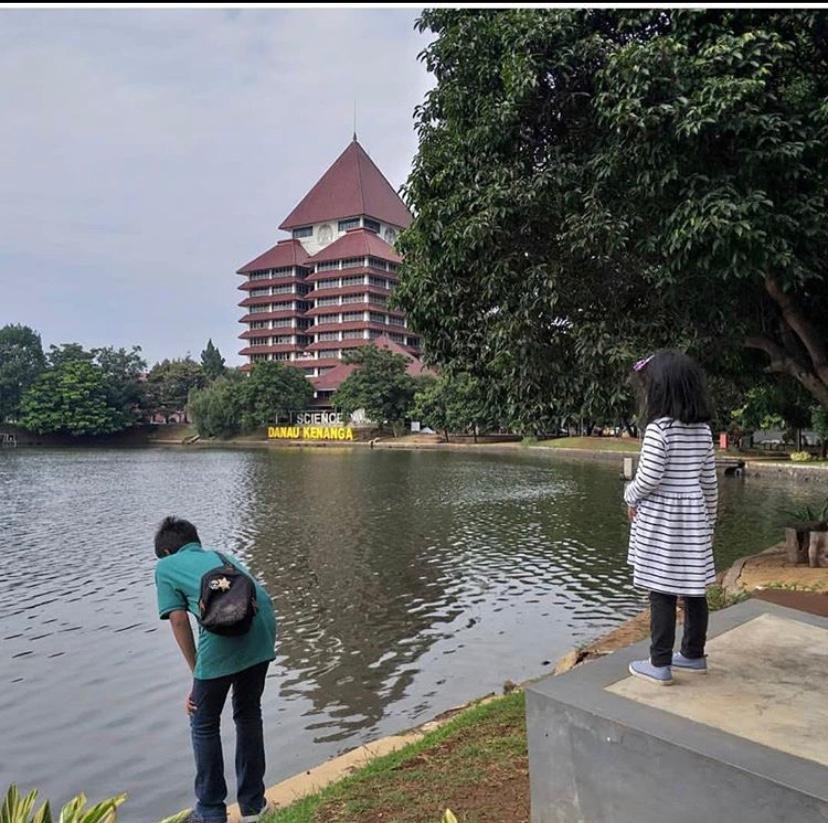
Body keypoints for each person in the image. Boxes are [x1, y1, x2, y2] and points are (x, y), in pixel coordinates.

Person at [154, 516, 277, 823]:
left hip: (226, 640)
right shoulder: (223, 557)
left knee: (203, 720)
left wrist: (197, 674)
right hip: (262, 632)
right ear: (194, 541)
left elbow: (179, 619)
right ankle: (253, 807)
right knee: (248, 713)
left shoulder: (165, 567)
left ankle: (210, 812)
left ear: (167, 552)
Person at [624, 351, 717, 686]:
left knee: (660, 589)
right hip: (692, 520)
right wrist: (710, 522)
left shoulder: (658, 430)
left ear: (659, 391)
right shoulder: (702, 431)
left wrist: (629, 494)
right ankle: (693, 654)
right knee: (693, 590)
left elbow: (649, 477)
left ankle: (659, 662)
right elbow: (709, 482)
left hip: (662, 522)